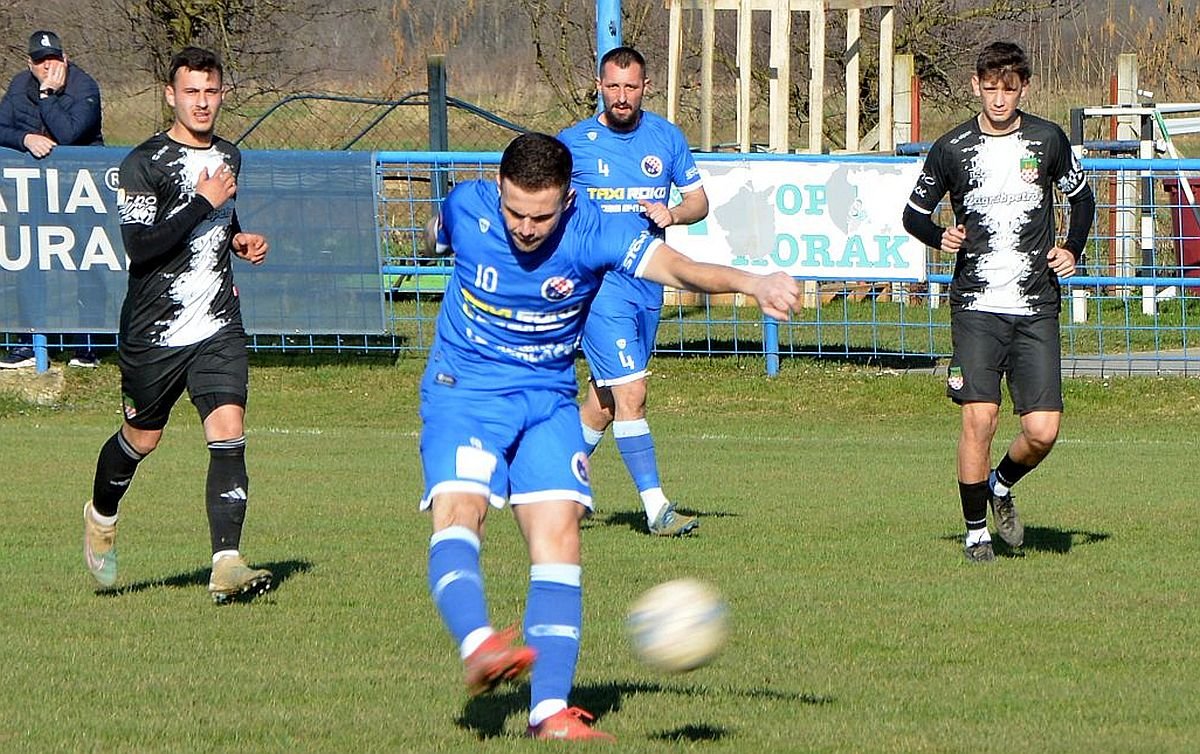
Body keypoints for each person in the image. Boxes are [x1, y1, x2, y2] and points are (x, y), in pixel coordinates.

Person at [421, 132, 797, 740]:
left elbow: (678, 268)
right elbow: (438, 234)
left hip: (546, 401)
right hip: (464, 391)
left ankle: (548, 713)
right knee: (461, 509)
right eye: (515, 211)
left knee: (560, 535)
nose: (525, 228)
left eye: (541, 216)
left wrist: (751, 283)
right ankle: (479, 644)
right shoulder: (467, 206)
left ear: (568, 199)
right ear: (499, 189)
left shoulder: (598, 231)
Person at [81, 46, 274, 604]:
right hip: (154, 334)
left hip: (216, 323)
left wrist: (237, 238)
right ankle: (101, 513)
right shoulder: (142, 164)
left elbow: (219, 220)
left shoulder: (230, 156)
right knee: (142, 439)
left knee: (229, 429)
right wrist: (202, 201)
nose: (202, 102)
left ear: (222, 94)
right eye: (191, 92)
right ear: (171, 96)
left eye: (211, 91)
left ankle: (226, 564)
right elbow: (141, 249)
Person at [902, 41, 1095, 563]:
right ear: (976, 87)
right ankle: (974, 534)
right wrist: (938, 235)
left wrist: (1071, 248)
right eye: (989, 89)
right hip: (977, 305)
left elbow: (1082, 200)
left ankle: (1000, 485)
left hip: (1035, 303)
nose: (999, 99)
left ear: (1023, 88)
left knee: (1043, 431)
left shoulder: (1047, 139)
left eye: (1008, 90)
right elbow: (914, 215)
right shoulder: (952, 147)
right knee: (980, 418)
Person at [557, 46, 709, 536]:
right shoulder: (573, 144)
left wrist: (673, 213)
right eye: (613, 86)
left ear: (646, 88)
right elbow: (539, 200)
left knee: (604, 402)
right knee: (632, 393)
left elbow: (699, 201)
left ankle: (556, 488)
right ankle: (656, 509)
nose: (622, 96)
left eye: (631, 86)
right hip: (599, 287)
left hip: (647, 283)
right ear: (599, 87)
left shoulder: (666, 138)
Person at [0, 29, 104, 369]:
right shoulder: (18, 87)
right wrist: (25, 139)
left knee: (87, 263)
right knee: (28, 262)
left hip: (80, 189)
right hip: (34, 190)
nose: (48, 66)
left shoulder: (84, 86)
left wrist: (48, 96)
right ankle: (28, 344)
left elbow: (69, 134)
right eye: (41, 61)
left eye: (54, 59)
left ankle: (87, 345)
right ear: (29, 64)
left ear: (65, 59)